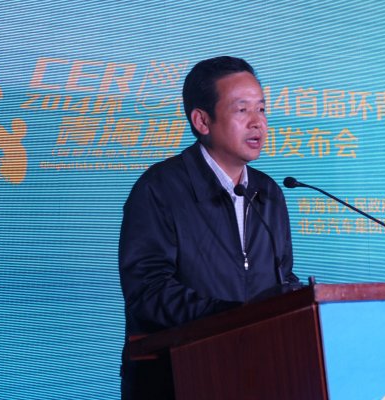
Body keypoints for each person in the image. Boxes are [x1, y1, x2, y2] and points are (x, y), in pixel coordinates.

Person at [118, 56, 300, 399]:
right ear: (202, 120)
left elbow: (280, 277)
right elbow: (148, 292)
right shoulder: (159, 189)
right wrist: (233, 316)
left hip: (258, 372)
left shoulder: (269, 193)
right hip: (178, 380)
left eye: (261, 109)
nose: (258, 122)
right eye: (242, 110)